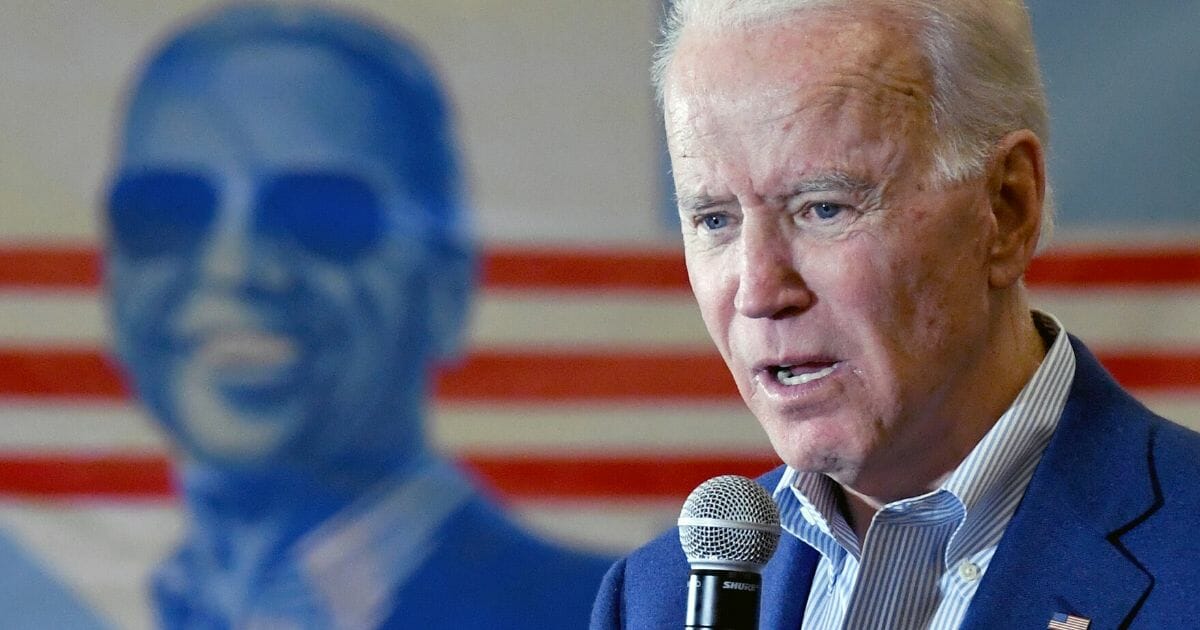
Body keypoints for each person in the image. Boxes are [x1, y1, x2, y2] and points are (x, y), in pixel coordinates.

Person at [591, 1, 1200, 628]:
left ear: (1005, 208)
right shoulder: (649, 601)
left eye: (822, 208)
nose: (758, 293)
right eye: (714, 219)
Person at [103, 3, 612, 628]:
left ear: (447, 292)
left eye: (324, 214)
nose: (234, 267)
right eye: (167, 212)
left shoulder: (600, 615)